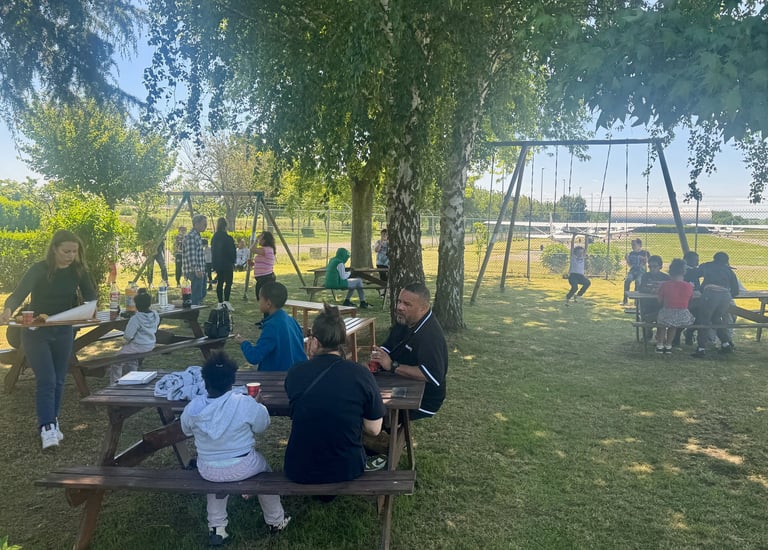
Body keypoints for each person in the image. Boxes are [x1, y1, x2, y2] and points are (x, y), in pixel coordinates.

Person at [180, 351, 290, 546]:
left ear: (205, 382)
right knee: (265, 471)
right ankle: (276, 520)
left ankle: (217, 528)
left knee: (215, 485)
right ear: (233, 381)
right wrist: (259, 406)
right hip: (244, 465)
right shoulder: (243, 402)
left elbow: (185, 429)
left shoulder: (194, 407)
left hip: (208, 469)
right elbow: (262, 426)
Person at [0, 230, 97, 450]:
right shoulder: (39, 269)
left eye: (75, 251)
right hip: (36, 331)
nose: (71, 255)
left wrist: (92, 307)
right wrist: (7, 310)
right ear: (54, 249)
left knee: (60, 379)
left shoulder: (78, 271)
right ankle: (46, 427)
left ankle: (52, 422)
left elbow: (91, 296)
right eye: (66, 251)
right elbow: (18, 294)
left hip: (64, 329)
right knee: (47, 380)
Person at [284, 304, 385, 484]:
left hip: (299, 467)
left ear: (315, 341)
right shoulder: (360, 374)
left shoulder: (295, 373)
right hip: (347, 467)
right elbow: (374, 429)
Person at [371, 282, 447, 420]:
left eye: (407, 304)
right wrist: (377, 358)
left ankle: (382, 433)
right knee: (361, 393)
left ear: (423, 308)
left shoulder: (430, 335)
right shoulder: (406, 319)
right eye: (399, 301)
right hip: (401, 380)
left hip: (425, 398)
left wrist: (392, 366)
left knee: (368, 407)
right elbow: (390, 344)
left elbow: (432, 375)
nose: (400, 307)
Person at [235, 282, 306, 371]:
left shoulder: (272, 327)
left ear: (268, 303)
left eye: (260, 298)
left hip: (277, 378)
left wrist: (243, 343)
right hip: (294, 373)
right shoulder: (291, 320)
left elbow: (254, 357)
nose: (258, 301)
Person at [692, 251, 740, 358]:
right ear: (727, 261)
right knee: (716, 319)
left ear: (714, 258)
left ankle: (701, 349)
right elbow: (735, 291)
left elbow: (695, 274)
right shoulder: (729, 271)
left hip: (710, 294)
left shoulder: (707, 266)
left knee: (704, 320)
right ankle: (726, 344)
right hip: (725, 296)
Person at [108, 291, 160, 384]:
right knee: (131, 359)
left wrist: (129, 340)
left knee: (116, 360)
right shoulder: (155, 314)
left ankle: (114, 383)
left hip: (139, 346)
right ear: (149, 303)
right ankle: (132, 379)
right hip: (151, 344)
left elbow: (128, 335)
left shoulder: (136, 318)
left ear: (136, 305)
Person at [655, 259, 695, 354]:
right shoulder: (689, 286)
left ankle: (660, 344)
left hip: (668, 311)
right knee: (673, 325)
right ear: (683, 272)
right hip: (683, 315)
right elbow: (690, 300)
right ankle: (669, 345)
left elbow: (659, 300)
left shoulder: (665, 285)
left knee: (662, 323)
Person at [637, 255, 670, 341]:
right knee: (646, 316)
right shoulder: (646, 276)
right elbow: (641, 288)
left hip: (661, 304)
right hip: (648, 304)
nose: (652, 269)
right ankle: (648, 332)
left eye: (655, 266)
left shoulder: (666, 277)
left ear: (660, 267)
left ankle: (660, 335)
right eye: (650, 266)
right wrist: (651, 290)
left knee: (663, 316)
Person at [251, 231, 277, 326]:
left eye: (261, 238)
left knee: (265, 300)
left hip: (266, 279)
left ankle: (268, 320)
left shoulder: (267, 249)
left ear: (265, 240)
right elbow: (263, 263)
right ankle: (266, 320)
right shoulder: (266, 250)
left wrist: (256, 239)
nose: (259, 240)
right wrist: (254, 264)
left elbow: (252, 249)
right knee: (263, 299)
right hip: (262, 279)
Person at [211, 218, 236, 309]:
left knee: (220, 282)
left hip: (218, 263)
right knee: (228, 282)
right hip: (227, 263)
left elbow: (213, 251)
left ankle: (220, 302)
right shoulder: (228, 238)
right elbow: (232, 251)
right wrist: (233, 261)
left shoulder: (214, 237)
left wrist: (214, 264)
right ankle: (226, 301)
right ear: (225, 226)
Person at [182, 215, 208, 305]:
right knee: (194, 297)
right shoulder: (191, 236)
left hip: (200, 270)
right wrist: (196, 269)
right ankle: (191, 317)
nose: (206, 225)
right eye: (204, 224)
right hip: (193, 271)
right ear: (196, 224)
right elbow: (191, 255)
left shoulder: (197, 236)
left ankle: (192, 315)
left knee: (201, 294)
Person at [622, 238, 650, 305]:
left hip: (641, 271)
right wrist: (627, 259)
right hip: (633, 271)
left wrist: (645, 259)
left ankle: (636, 302)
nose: (632, 246)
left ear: (639, 244)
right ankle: (625, 300)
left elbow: (647, 262)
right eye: (631, 245)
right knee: (627, 280)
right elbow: (630, 265)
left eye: (634, 244)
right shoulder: (631, 253)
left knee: (638, 281)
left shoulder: (645, 253)